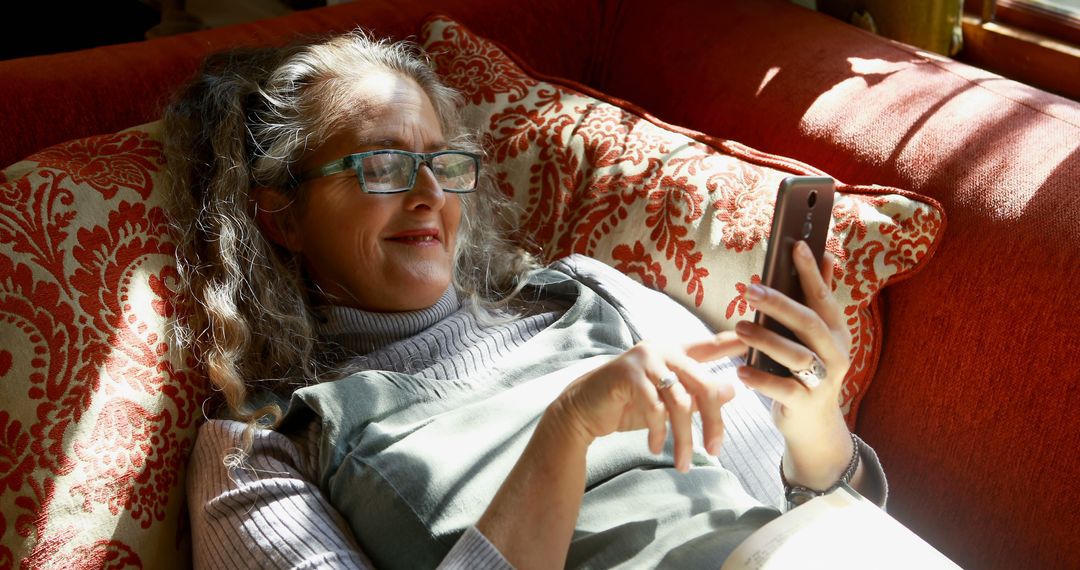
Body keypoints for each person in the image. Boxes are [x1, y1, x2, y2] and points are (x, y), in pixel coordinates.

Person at [164, 29, 886, 570]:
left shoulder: (589, 294)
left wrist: (814, 425)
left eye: (443, 164)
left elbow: (800, 518)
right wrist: (568, 429)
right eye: (382, 166)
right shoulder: (265, 447)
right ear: (281, 215)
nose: (431, 196)